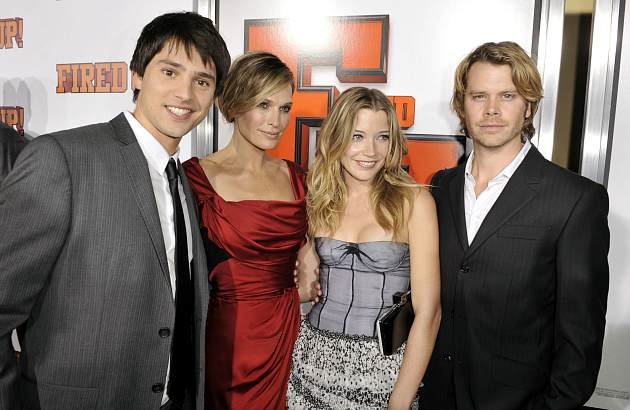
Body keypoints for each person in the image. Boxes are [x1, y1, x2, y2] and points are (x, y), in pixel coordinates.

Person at [0, 12, 230, 410]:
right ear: (137, 75)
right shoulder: (62, 159)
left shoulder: (182, 180)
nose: (185, 94)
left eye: (202, 81)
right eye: (170, 72)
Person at [423, 41, 610, 409]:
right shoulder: (440, 187)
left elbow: (580, 342)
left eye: (507, 96)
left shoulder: (576, 200)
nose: (491, 109)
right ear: (462, 105)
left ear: (529, 107)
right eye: (479, 96)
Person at [286, 87, 441, 409]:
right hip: (311, 361)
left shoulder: (414, 202)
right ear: (337, 138)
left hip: (385, 371)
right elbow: (300, 282)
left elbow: (429, 312)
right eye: (357, 136)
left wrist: (400, 401)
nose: (370, 151)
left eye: (382, 137)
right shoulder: (317, 197)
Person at [182, 51, 309, 409]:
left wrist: (310, 253)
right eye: (263, 105)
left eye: (284, 108)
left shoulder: (297, 177)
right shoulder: (196, 178)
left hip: (289, 333)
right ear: (236, 104)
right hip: (228, 340)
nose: (276, 121)